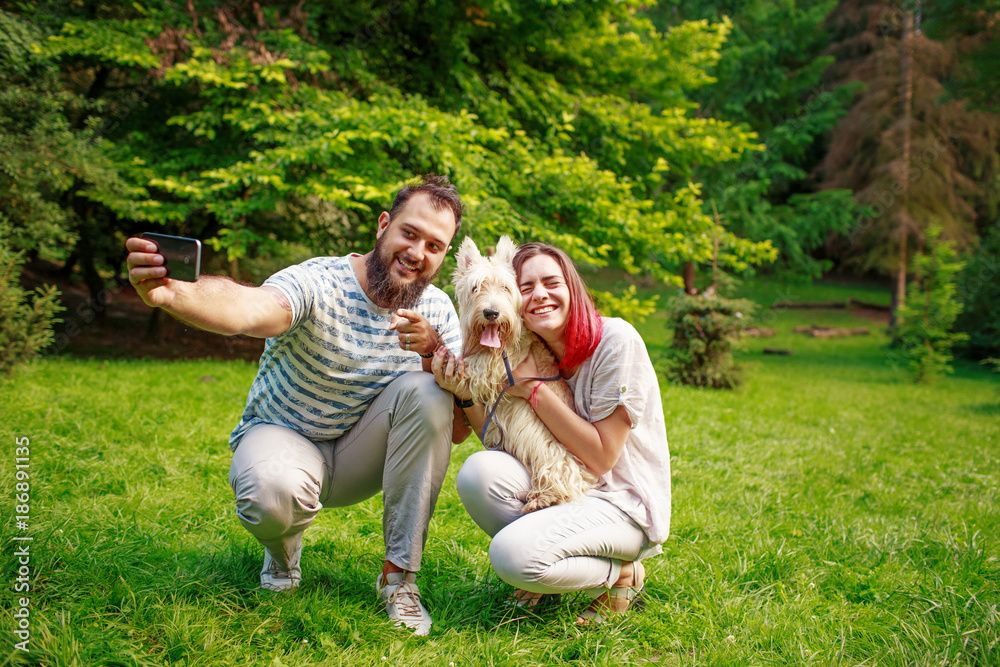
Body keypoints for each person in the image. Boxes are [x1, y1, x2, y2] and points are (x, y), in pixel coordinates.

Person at [125, 175, 469, 636]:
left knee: (429, 393)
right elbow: (250, 307)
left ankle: (400, 581)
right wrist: (178, 293)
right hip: (285, 437)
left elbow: (457, 429)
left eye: (435, 245)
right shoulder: (319, 280)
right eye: (410, 233)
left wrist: (432, 352)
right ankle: (283, 557)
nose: (417, 252)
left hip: (359, 459)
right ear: (384, 225)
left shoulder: (439, 311)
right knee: (269, 494)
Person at [432, 242, 670, 624]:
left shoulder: (616, 341)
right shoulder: (534, 347)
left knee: (511, 556)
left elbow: (601, 457)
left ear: (572, 286)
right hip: (576, 490)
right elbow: (499, 438)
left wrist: (531, 387)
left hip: (623, 504)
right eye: (526, 287)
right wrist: (464, 397)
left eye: (551, 282)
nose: (539, 295)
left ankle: (621, 574)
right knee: (480, 472)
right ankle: (554, 569)